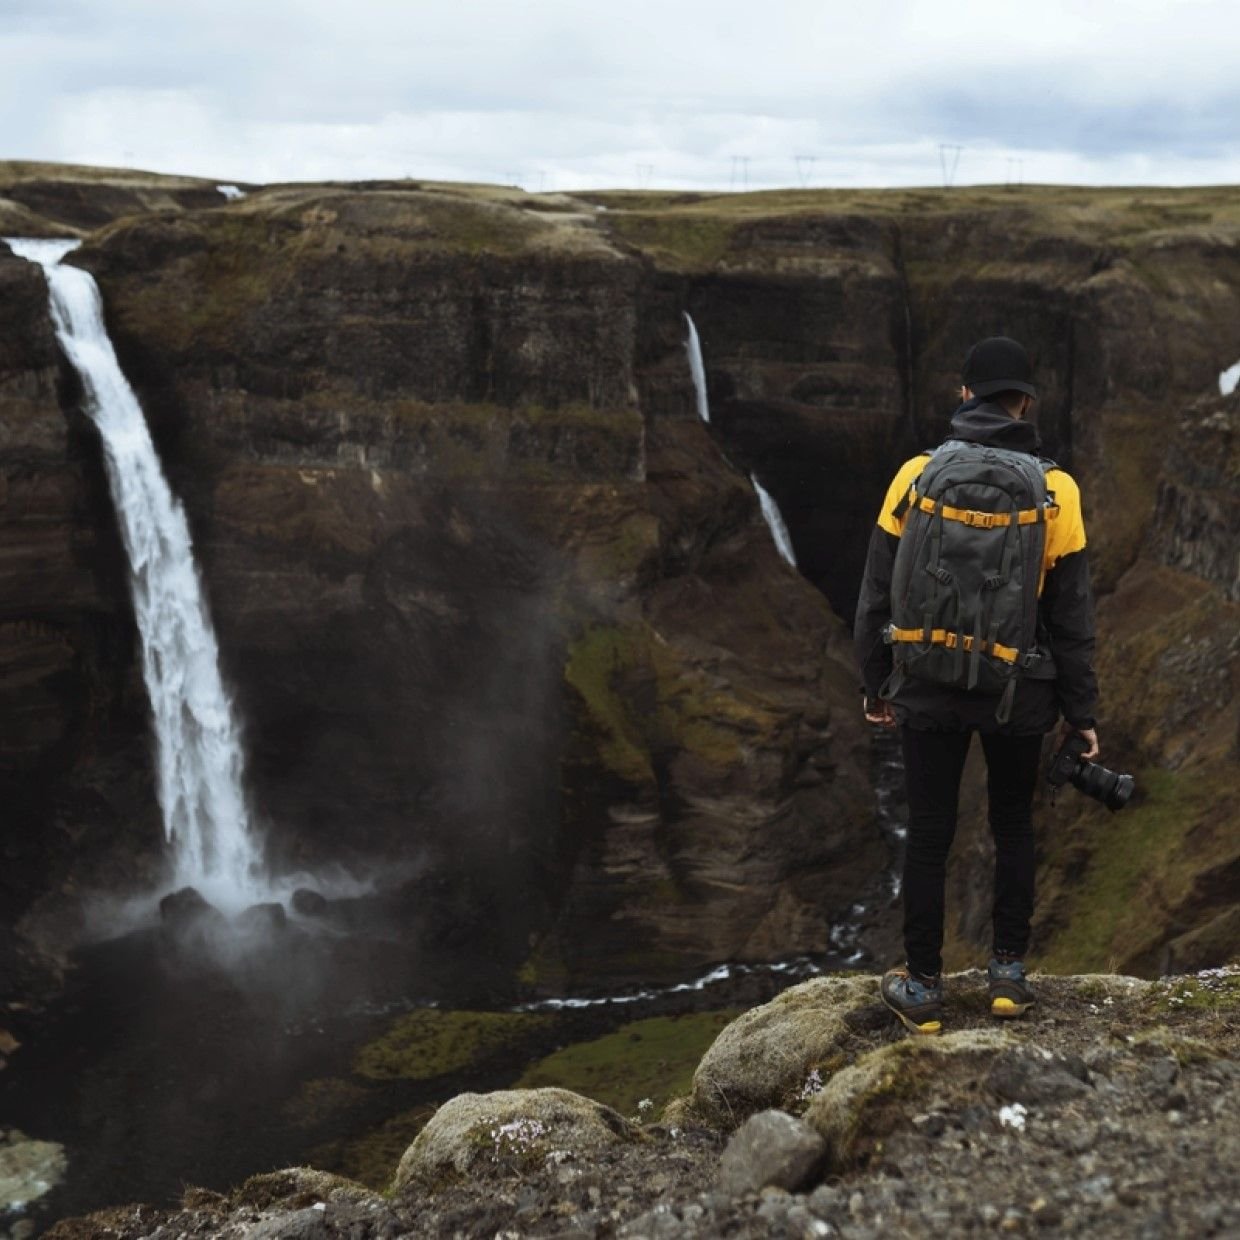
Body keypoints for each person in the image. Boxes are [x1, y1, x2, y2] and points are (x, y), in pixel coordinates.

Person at [854, 336, 1099, 1035]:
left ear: (965, 396)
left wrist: (878, 682)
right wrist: (1081, 713)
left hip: (927, 687)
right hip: (1018, 695)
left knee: (929, 832)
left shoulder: (913, 476)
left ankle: (924, 989)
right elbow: (1072, 618)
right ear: (1024, 402)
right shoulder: (1059, 491)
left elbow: (876, 594)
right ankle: (1007, 978)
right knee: (1012, 826)